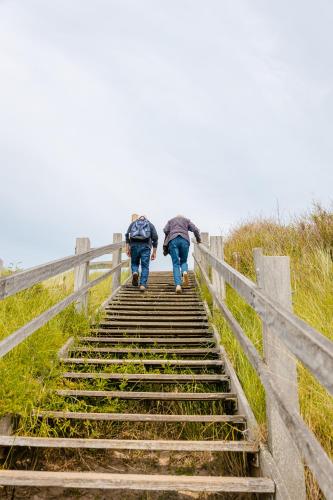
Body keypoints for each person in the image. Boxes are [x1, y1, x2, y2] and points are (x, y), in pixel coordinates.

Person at [163, 215, 201, 293]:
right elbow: (195, 230)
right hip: (184, 240)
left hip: (173, 240)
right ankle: (184, 272)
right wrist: (198, 239)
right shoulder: (187, 220)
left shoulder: (171, 221)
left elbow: (165, 230)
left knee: (175, 263)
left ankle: (178, 285)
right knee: (183, 261)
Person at [125, 214, 158, 292]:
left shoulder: (133, 224)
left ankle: (135, 272)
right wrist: (154, 252)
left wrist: (127, 249)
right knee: (145, 266)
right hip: (146, 247)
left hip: (134, 246)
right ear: (146, 219)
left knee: (134, 263)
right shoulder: (150, 224)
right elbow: (155, 238)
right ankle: (142, 285)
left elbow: (127, 236)